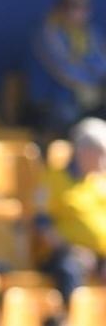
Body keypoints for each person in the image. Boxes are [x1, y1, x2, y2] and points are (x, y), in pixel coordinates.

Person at [36, 117, 106, 303]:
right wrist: (73, 250)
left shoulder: (100, 182)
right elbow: (42, 224)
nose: (104, 160)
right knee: (69, 269)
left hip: (100, 257)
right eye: (101, 153)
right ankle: (70, 321)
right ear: (84, 152)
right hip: (66, 254)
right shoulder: (53, 180)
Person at [29, 0, 106, 136]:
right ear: (60, 6)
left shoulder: (92, 33)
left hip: (88, 104)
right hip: (51, 107)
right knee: (70, 116)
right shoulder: (47, 33)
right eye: (74, 5)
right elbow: (67, 72)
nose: (81, 10)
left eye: (86, 4)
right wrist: (96, 86)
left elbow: (102, 65)